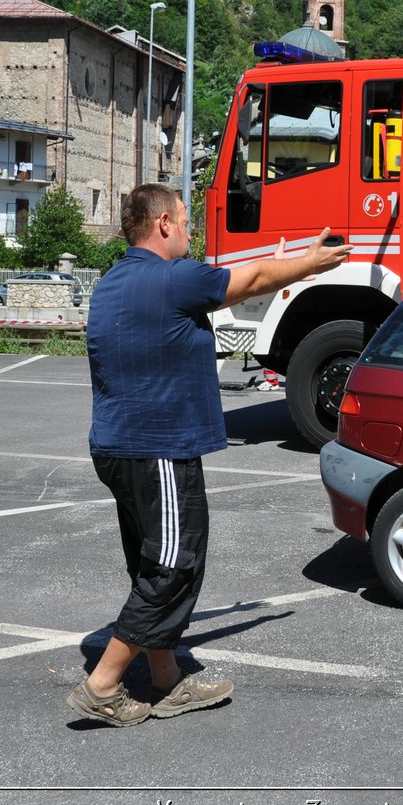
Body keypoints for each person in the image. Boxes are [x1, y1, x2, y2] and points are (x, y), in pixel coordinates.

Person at [68, 184, 351, 727]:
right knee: (174, 566)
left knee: (153, 563)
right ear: (164, 224)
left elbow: (230, 274)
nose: (192, 229)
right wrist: (307, 262)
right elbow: (251, 280)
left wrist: (276, 260)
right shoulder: (174, 279)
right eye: (185, 219)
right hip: (160, 450)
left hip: (119, 449)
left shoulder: (115, 281)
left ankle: (167, 679)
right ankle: (103, 685)